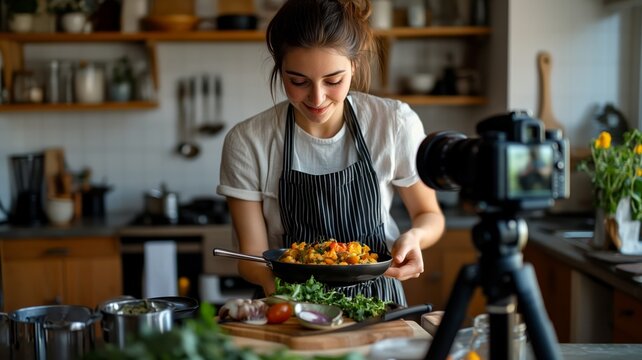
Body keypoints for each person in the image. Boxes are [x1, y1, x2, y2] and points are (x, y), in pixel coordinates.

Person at [217, 0, 445, 306]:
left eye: (333, 81)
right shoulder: (248, 141)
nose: (317, 98)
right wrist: (296, 305)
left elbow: (429, 215)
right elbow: (252, 259)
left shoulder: (393, 123)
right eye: (298, 81)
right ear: (279, 67)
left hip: (376, 305)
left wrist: (414, 238)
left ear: (354, 64)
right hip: (288, 303)